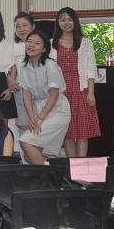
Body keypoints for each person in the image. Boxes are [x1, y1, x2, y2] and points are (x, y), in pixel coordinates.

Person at [18, 30, 71, 164]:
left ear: (44, 49)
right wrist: (32, 117)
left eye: (37, 43)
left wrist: (40, 118)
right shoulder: (23, 66)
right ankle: (57, 170)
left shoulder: (50, 65)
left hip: (57, 111)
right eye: (29, 41)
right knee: (29, 156)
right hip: (38, 111)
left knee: (25, 142)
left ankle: (46, 175)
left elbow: (54, 96)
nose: (31, 45)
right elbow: (26, 93)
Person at [52, 7, 100, 157]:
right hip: (61, 93)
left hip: (81, 90)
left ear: (75, 21)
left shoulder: (85, 42)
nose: (67, 23)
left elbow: (91, 68)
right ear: (58, 22)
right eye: (63, 20)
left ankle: (82, 166)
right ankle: (72, 166)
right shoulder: (52, 44)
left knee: (82, 132)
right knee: (67, 133)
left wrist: (91, 92)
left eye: (70, 19)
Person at [10, 12, 36, 146]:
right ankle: (25, 158)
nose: (21, 29)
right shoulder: (13, 47)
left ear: (33, 26)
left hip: (39, 92)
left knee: (38, 127)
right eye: (18, 26)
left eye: (25, 25)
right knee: (23, 127)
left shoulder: (43, 44)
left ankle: (40, 157)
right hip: (20, 91)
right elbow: (12, 68)